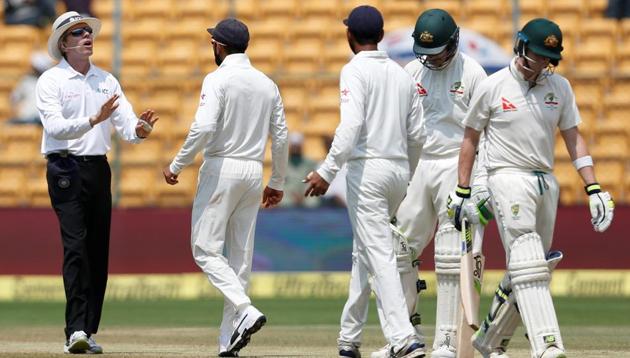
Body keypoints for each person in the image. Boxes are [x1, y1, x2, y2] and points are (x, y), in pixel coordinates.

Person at [448, 18, 615, 358]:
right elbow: (470, 140)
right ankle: (547, 345)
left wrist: (594, 187)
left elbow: (573, 138)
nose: (542, 64)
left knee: (534, 265)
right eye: (537, 55)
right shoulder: (493, 86)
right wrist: (462, 190)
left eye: (549, 58)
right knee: (527, 259)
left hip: (544, 181)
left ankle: (490, 341)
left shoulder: (560, 87)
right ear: (521, 47)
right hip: (505, 176)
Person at [341, 9, 491, 358]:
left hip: (457, 166)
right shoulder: (411, 72)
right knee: (398, 250)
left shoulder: (473, 73)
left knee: (452, 255)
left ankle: (448, 341)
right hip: (418, 164)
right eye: (427, 52)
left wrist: (479, 183)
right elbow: (405, 131)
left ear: (453, 42)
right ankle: (404, 336)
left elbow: (486, 132)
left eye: (439, 50)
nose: (433, 58)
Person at [303, 6, 425, 358]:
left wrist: (326, 172)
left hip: (368, 171)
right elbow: (417, 135)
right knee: (366, 251)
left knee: (378, 253)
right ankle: (349, 338)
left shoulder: (353, 71)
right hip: (398, 170)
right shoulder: (404, 76)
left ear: (349, 36)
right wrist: (408, 174)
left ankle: (403, 337)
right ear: (382, 36)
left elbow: (351, 126)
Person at [162, 18, 288, 357]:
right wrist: (276, 181)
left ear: (219, 46)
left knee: (204, 248)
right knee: (240, 258)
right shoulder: (266, 83)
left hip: (222, 167)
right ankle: (227, 340)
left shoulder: (216, 79)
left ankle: (244, 310)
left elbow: (203, 126)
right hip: (253, 171)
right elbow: (282, 136)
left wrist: (176, 164)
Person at [36, 11, 158, 354]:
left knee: (97, 250)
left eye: (88, 31)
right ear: (64, 43)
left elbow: (128, 126)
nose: (87, 36)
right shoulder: (50, 81)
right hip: (64, 169)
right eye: (77, 33)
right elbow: (56, 128)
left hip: (97, 168)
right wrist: (93, 119)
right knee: (75, 247)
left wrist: (140, 130)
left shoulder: (107, 80)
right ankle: (74, 329)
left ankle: (87, 331)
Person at [9, 51, 54, 125]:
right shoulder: (25, 81)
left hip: (43, 120)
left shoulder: (51, 82)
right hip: (26, 118)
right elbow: (14, 99)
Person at [280, 132, 320, 207]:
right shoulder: (281, 163)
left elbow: (312, 182)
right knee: (284, 202)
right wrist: (293, 194)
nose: (295, 147)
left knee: (312, 202)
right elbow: (281, 184)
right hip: (288, 195)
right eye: (293, 145)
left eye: (297, 145)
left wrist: (302, 195)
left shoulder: (310, 163)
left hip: (305, 194)